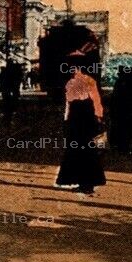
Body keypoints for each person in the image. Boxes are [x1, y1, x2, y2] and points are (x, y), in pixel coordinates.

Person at [55, 54, 107, 195]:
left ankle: (86, 184)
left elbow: (92, 102)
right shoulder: (83, 81)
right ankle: (84, 183)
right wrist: (99, 117)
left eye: (73, 66)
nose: (72, 69)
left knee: (81, 150)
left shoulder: (75, 82)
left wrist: (98, 117)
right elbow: (94, 101)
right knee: (83, 151)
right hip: (82, 118)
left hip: (81, 118)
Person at [0, 60, 24, 129]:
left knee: (7, 100)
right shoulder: (15, 71)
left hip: (8, 89)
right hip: (11, 89)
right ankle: (11, 111)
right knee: (11, 100)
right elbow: (19, 79)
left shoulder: (5, 71)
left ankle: (9, 112)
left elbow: (2, 80)